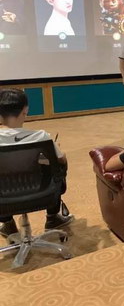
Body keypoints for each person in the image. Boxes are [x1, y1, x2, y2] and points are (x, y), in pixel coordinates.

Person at [0, 89, 73, 238]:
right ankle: (52, 217)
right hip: (42, 193)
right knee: (55, 167)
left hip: (3, 198)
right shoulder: (41, 137)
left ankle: (7, 223)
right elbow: (62, 160)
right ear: (25, 110)